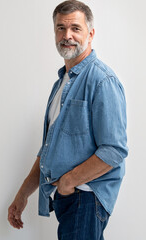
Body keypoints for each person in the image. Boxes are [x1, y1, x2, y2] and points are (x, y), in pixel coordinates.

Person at [8, 1, 128, 239]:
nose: (67, 35)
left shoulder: (102, 81)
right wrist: (23, 194)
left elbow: (114, 150)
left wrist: (68, 182)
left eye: (75, 28)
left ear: (90, 34)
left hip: (85, 198)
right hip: (70, 201)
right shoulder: (61, 83)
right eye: (60, 28)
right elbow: (49, 149)